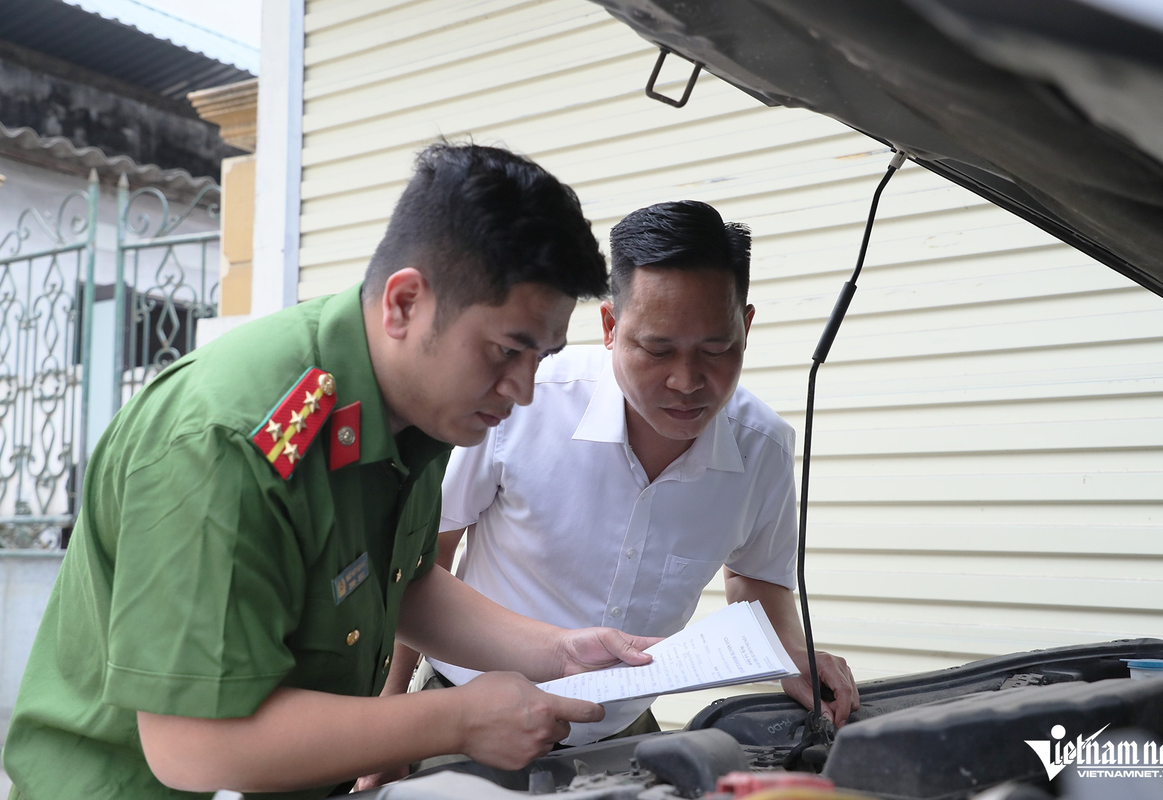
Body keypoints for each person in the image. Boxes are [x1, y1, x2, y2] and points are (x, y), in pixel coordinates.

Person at [2, 143, 658, 800]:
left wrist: (558, 652)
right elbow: (193, 745)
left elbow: (398, 583)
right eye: (504, 351)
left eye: (541, 357)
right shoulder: (225, 442)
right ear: (404, 304)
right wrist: (453, 719)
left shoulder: (421, 409)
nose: (521, 390)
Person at [393, 200, 859, 745]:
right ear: (611, 327)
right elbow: (424, 560)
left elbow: (756, 578)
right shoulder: (521, 402)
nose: (687, 381)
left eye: (717, 349)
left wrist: (792, 655)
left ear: (746, 327)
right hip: (464, 717)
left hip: (622, 735)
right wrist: (389, 722)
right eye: (657, 350)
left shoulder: (764, 449)